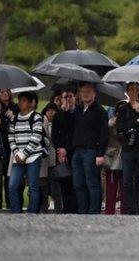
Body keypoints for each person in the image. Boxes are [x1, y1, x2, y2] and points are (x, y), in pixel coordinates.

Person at [115, 82, 139, 215]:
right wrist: (134, 122)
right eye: (131, 90)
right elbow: (119, 127)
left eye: (136, 90)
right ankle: (131, 209)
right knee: (127, 181)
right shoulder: (123, 109)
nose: (134, 93)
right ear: (127, 92)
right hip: (128, 149)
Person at [70, 81, 108, 214]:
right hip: (77, 151)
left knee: (92, 183)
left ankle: (93, 212)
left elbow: (104, 134)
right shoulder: (78, 110)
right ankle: (82, 210)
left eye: (88, 91)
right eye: (83, 91)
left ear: (94, 93)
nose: (85, 94)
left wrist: (100, 154)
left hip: (92, 152)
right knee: (78, 183)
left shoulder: (100, 111)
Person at [7, 91, 46, 213]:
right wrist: (17, 153)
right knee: (12, 186)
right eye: (19, 100)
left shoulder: (36, 117)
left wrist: (24, 154)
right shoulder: (14, 119)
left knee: (33, 187)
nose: (20, 103)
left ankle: (31, 213)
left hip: (33, 157)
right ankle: (16, 213)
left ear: (30, 103)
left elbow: (36, 137)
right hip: (17, 157)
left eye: (24, 100)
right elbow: (10, 137)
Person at [49, 85, 76, 213]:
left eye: (70, 96)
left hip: (74, 151)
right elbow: (54, 135)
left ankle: (75, 209)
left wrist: (67, 150)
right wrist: (60, 150)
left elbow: (76, 134)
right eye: (66, 97)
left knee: (75, 183)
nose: (68, 99)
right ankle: (66, 209)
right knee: (64, 181)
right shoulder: (59, 115)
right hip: (61, 153)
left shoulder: (77, 113)